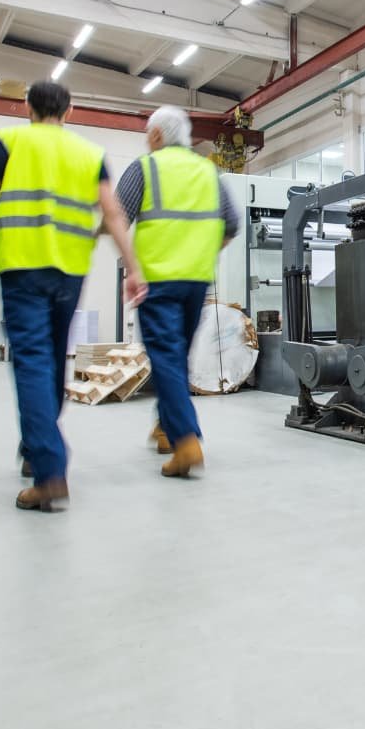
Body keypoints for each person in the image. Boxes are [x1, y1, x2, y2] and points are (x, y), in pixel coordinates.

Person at [0, 81, 146, 511]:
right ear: (70, 110)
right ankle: (35, 449)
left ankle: (49, 470)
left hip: (22, 268)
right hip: (69, 272)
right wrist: (133, 268)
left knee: (30, 363)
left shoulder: (10, 141)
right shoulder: (90, 153)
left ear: (27, 107)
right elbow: (114, 213)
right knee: (48, 362)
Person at [115, 106, 239, 478]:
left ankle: (186, 440)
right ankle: (166, 427)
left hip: (157, 280)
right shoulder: (209, 171)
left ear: (155, 136)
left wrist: (130, 268)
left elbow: (118, 217)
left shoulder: (145, 168)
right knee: (176, 355)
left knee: (166, 358)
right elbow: (231, 225)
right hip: (196, 281)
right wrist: (201, 254)